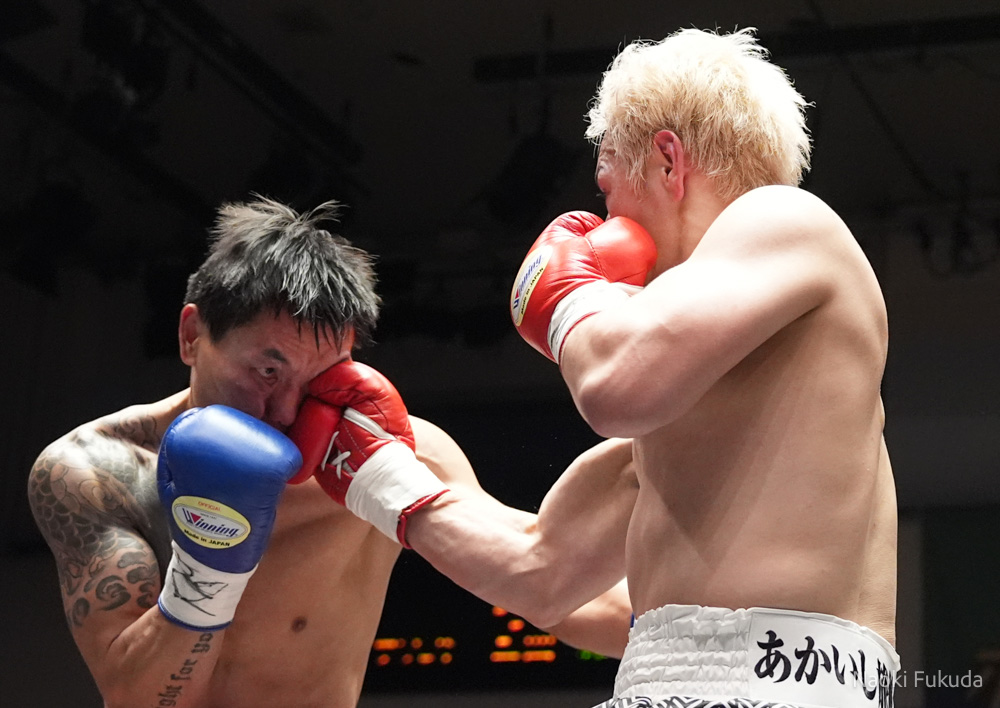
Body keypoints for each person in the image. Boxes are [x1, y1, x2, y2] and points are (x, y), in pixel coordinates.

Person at [290, 28, 899, 708]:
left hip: (775, 682)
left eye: (608, 188)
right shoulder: (694, 425)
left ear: (668, 161)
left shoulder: (786, 218)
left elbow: (615, 386)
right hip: (665, 678)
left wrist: (569, 291)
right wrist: (375, 473)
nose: (604, 217)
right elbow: (540, 572)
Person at [27, 196, 631, 708]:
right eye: (267, 371)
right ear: (192, 335)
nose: (287, 410)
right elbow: (134, 697)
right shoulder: (94, 471)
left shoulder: (396, 453)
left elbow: (550, 588)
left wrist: (691, 633)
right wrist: (209, 568)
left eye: (319, 378)